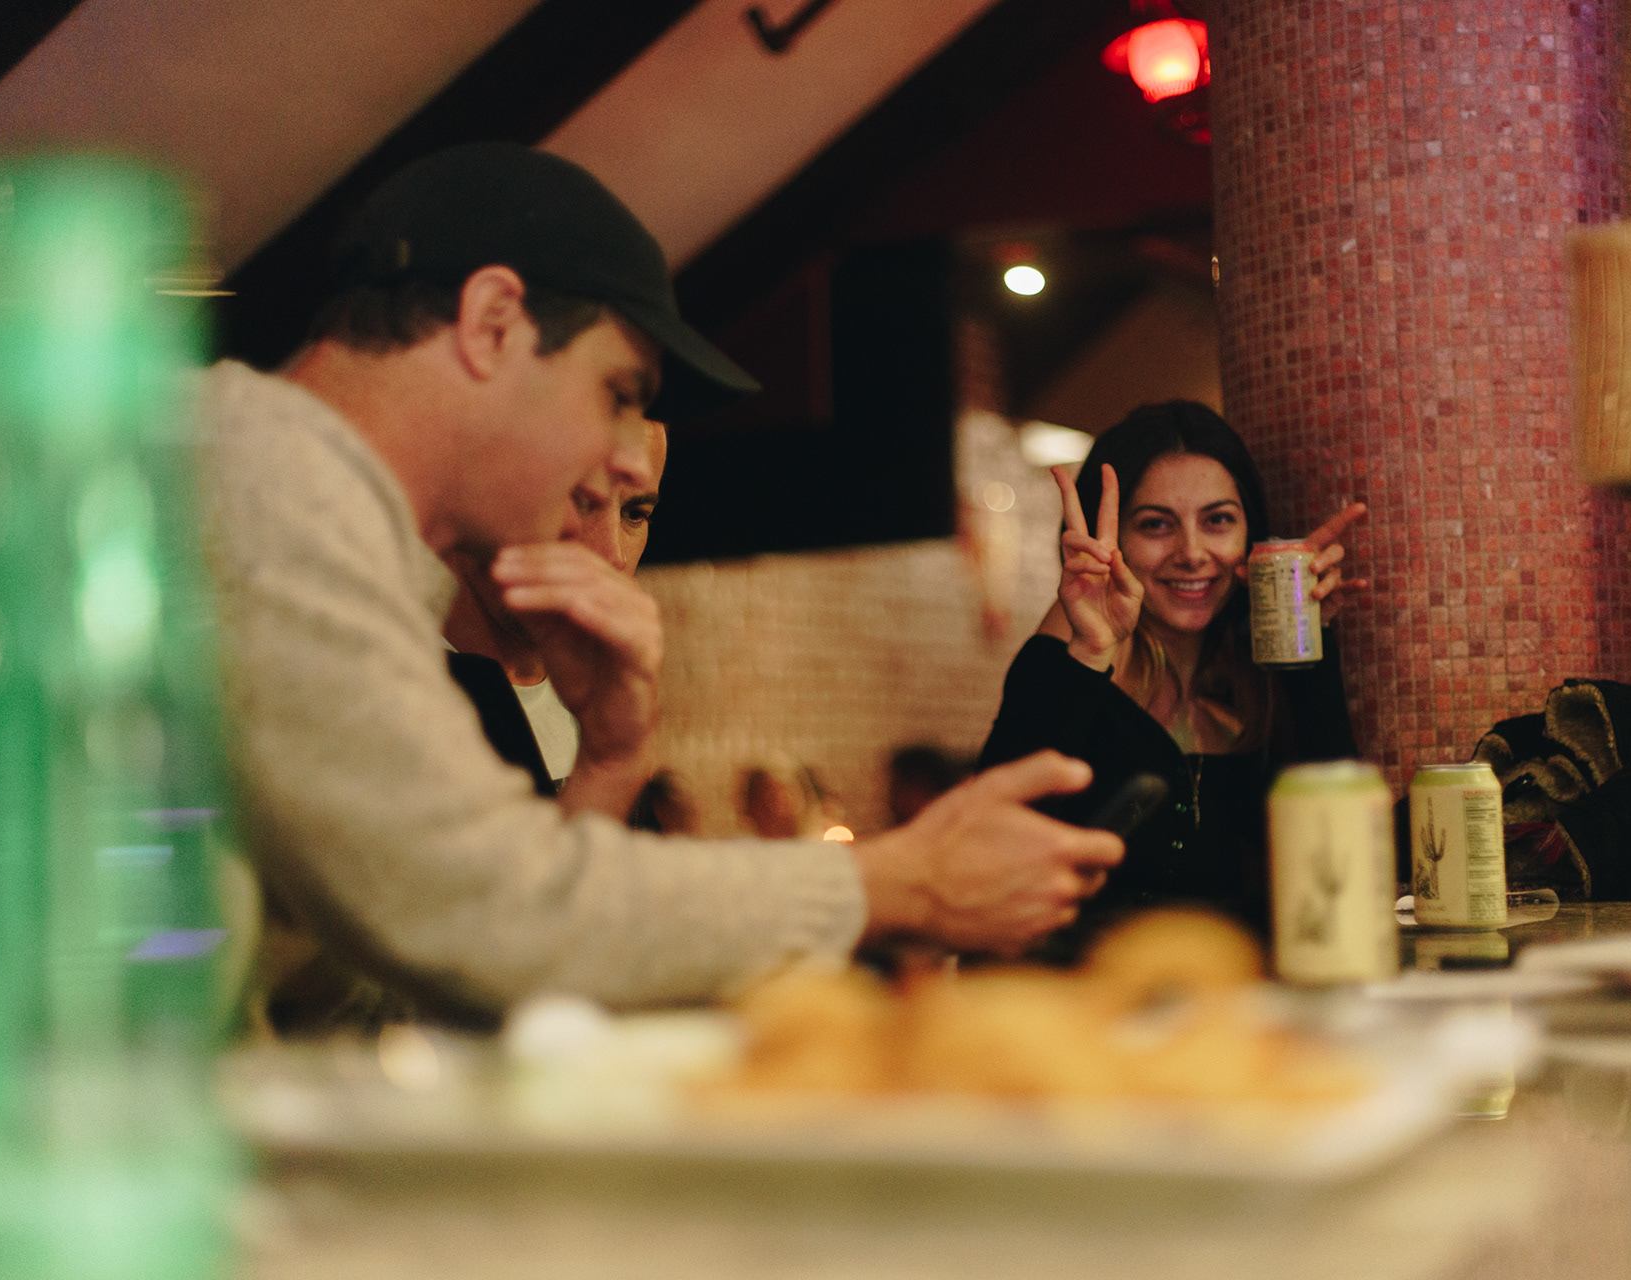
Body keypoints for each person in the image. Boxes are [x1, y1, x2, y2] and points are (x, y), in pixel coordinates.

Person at [198, 142, 1123, 1032]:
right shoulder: (271, 487)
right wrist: (901, 883)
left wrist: (607, 762)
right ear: (491, 324)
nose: (622, 459)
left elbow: (470, 949)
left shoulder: (289, 494)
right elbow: (486, 910)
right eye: (618, 392)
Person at [978, 401, 1365, 960]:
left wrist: (1312, 643)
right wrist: (1088, 652)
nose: (1192, 553)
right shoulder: (1068, 649)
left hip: (1243, 990)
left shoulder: (1257, 665)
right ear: (1111, 539)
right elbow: (991, 840)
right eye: (1155, 525)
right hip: (1085, 992)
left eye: (1218, 521)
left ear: (1250, 532)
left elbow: (1340, 840)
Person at [442, 413, 667, 802]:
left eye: (634, 515)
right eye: (580, 501)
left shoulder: (601, 708)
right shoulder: (386, 694)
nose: (612, 554)